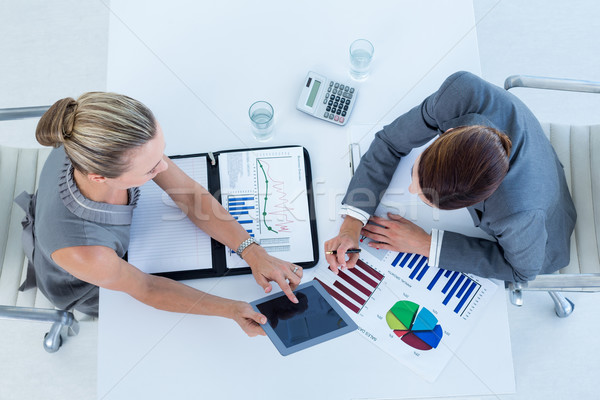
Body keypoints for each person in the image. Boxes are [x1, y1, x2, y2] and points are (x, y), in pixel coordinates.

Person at [15, 92, 303, 337]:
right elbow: (147, 288)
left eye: (160, 154)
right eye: (151, 169)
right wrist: (232, 309)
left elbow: (188, 195)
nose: (163, 169)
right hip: (87, 281)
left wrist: (252, 252)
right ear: (100, 177)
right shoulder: (84, 252)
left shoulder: (94, 137)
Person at [325, 71, 576, 283]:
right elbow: (391, 140)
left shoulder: (518, 216)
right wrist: (352, 223)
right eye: (416, 170)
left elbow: (523, 271)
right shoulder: (461, 94)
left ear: (475, 200)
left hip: (546, 223)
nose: (412, 189)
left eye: (427, 199)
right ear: (452, 132)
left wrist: (424, 244)